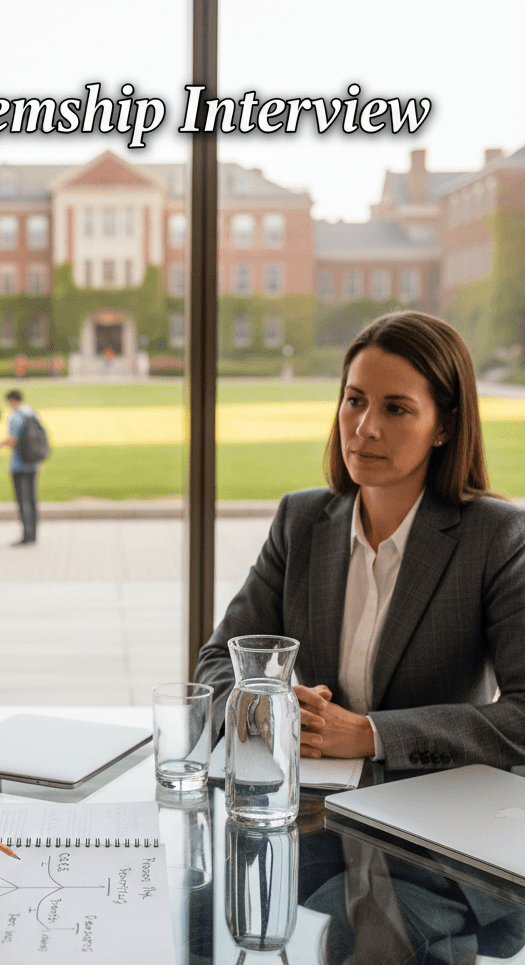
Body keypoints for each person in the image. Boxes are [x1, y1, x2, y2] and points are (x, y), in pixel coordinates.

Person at [195, 310, 525, 771]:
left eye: (396, 408)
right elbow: (216, 662)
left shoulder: (497, 537)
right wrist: (262, 706)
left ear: (444, 427)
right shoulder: (300, 520)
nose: (365, 427)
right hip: (317, 815)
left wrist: (370, 735)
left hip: (435, 815)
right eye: (354, 400)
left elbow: (521, 715)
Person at [3, 388, 42, 546]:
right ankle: (33, 534)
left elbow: (12, 441)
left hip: (20, 464)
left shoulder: (15, 417)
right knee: (33, 500)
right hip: (33, 462)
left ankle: (26, 535)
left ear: (12, 400)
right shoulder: (31, 413)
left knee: (23, 501)